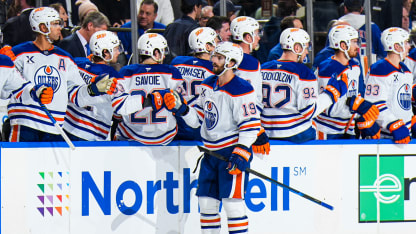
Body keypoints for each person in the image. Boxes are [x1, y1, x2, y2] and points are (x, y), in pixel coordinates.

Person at [163, 41, 260, 233]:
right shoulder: (207, 84)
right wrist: (181, 108)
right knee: (206, 206)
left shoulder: (242, 89)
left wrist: (241, 153)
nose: (213, 60)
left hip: (230, 151)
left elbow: (250, 127)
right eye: (214, 55)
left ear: (231, 62)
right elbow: (198, 119)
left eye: (219, 57)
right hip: (210, 154)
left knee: (233, 206)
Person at [8, 7, 117, 142]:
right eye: (55, 24)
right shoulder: (18, 54)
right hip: (26, 123)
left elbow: (75, 95)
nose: (60, 27)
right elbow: (7, 88)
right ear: (42, 27)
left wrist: (92, 89)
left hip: (56, 127)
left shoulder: (65, 58)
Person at [261, 28, 348, 143]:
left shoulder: (263, 68)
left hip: (266, 132)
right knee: (315, 127)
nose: (307, 52)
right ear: (297, 48)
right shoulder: (303, 72)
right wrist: (331, 93)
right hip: (294, 133)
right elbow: (309, 111)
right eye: (306, 47)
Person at [63, 30, 150, 141]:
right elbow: (122, 106)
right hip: (90, 134)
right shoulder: (112, 76)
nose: (118, 52)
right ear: (105, 53)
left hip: (66, 127)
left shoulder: (77, 63)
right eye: (115, 49)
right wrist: (148, 100)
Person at [115, 33, 183, 145]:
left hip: (130, 136)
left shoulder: (125, 72)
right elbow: (179, 106)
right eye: (162, 51)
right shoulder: (171, 72)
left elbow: (117, 112)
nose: (164, 56)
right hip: (165, 137)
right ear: (156, 52)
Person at [315, 25, 379, 139]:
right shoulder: (327, 69)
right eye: (354, 42)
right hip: (327, 131)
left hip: (347, 128)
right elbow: (326, 108)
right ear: (343, 45)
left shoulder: (354, 66)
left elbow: (355, 97)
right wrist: (354, 106)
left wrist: (361, 117)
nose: (357, 46)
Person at [365, 27, 413, 144]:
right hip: (386, 137)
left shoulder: (405, 70)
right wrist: (392, 123)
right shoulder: (380, 69)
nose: (409, 47)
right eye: (406, 43)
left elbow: (404, 102)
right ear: (397, 46)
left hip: (405, 134)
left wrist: (411, 120)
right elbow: (374, 103)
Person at [230, 16, 269, 155]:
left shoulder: (222, 55)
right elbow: (250, 99)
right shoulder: (249, 62)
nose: (258, 37)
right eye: (256, 33)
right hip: (241, 128)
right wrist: (256, 128)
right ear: (247, 37)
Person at [170, 27, 217, 140]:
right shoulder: (215, 68)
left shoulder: (177, 62)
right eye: (216, 42)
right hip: (200, 124)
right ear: (208, 46)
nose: (218, 45)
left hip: (177, 124)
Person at [338, 0, 386, 71]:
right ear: (361, 9)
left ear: (345, 9)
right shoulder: (373, 27)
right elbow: (383, 54)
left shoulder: (337, 27)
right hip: (368, 70)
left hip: (344, 71)